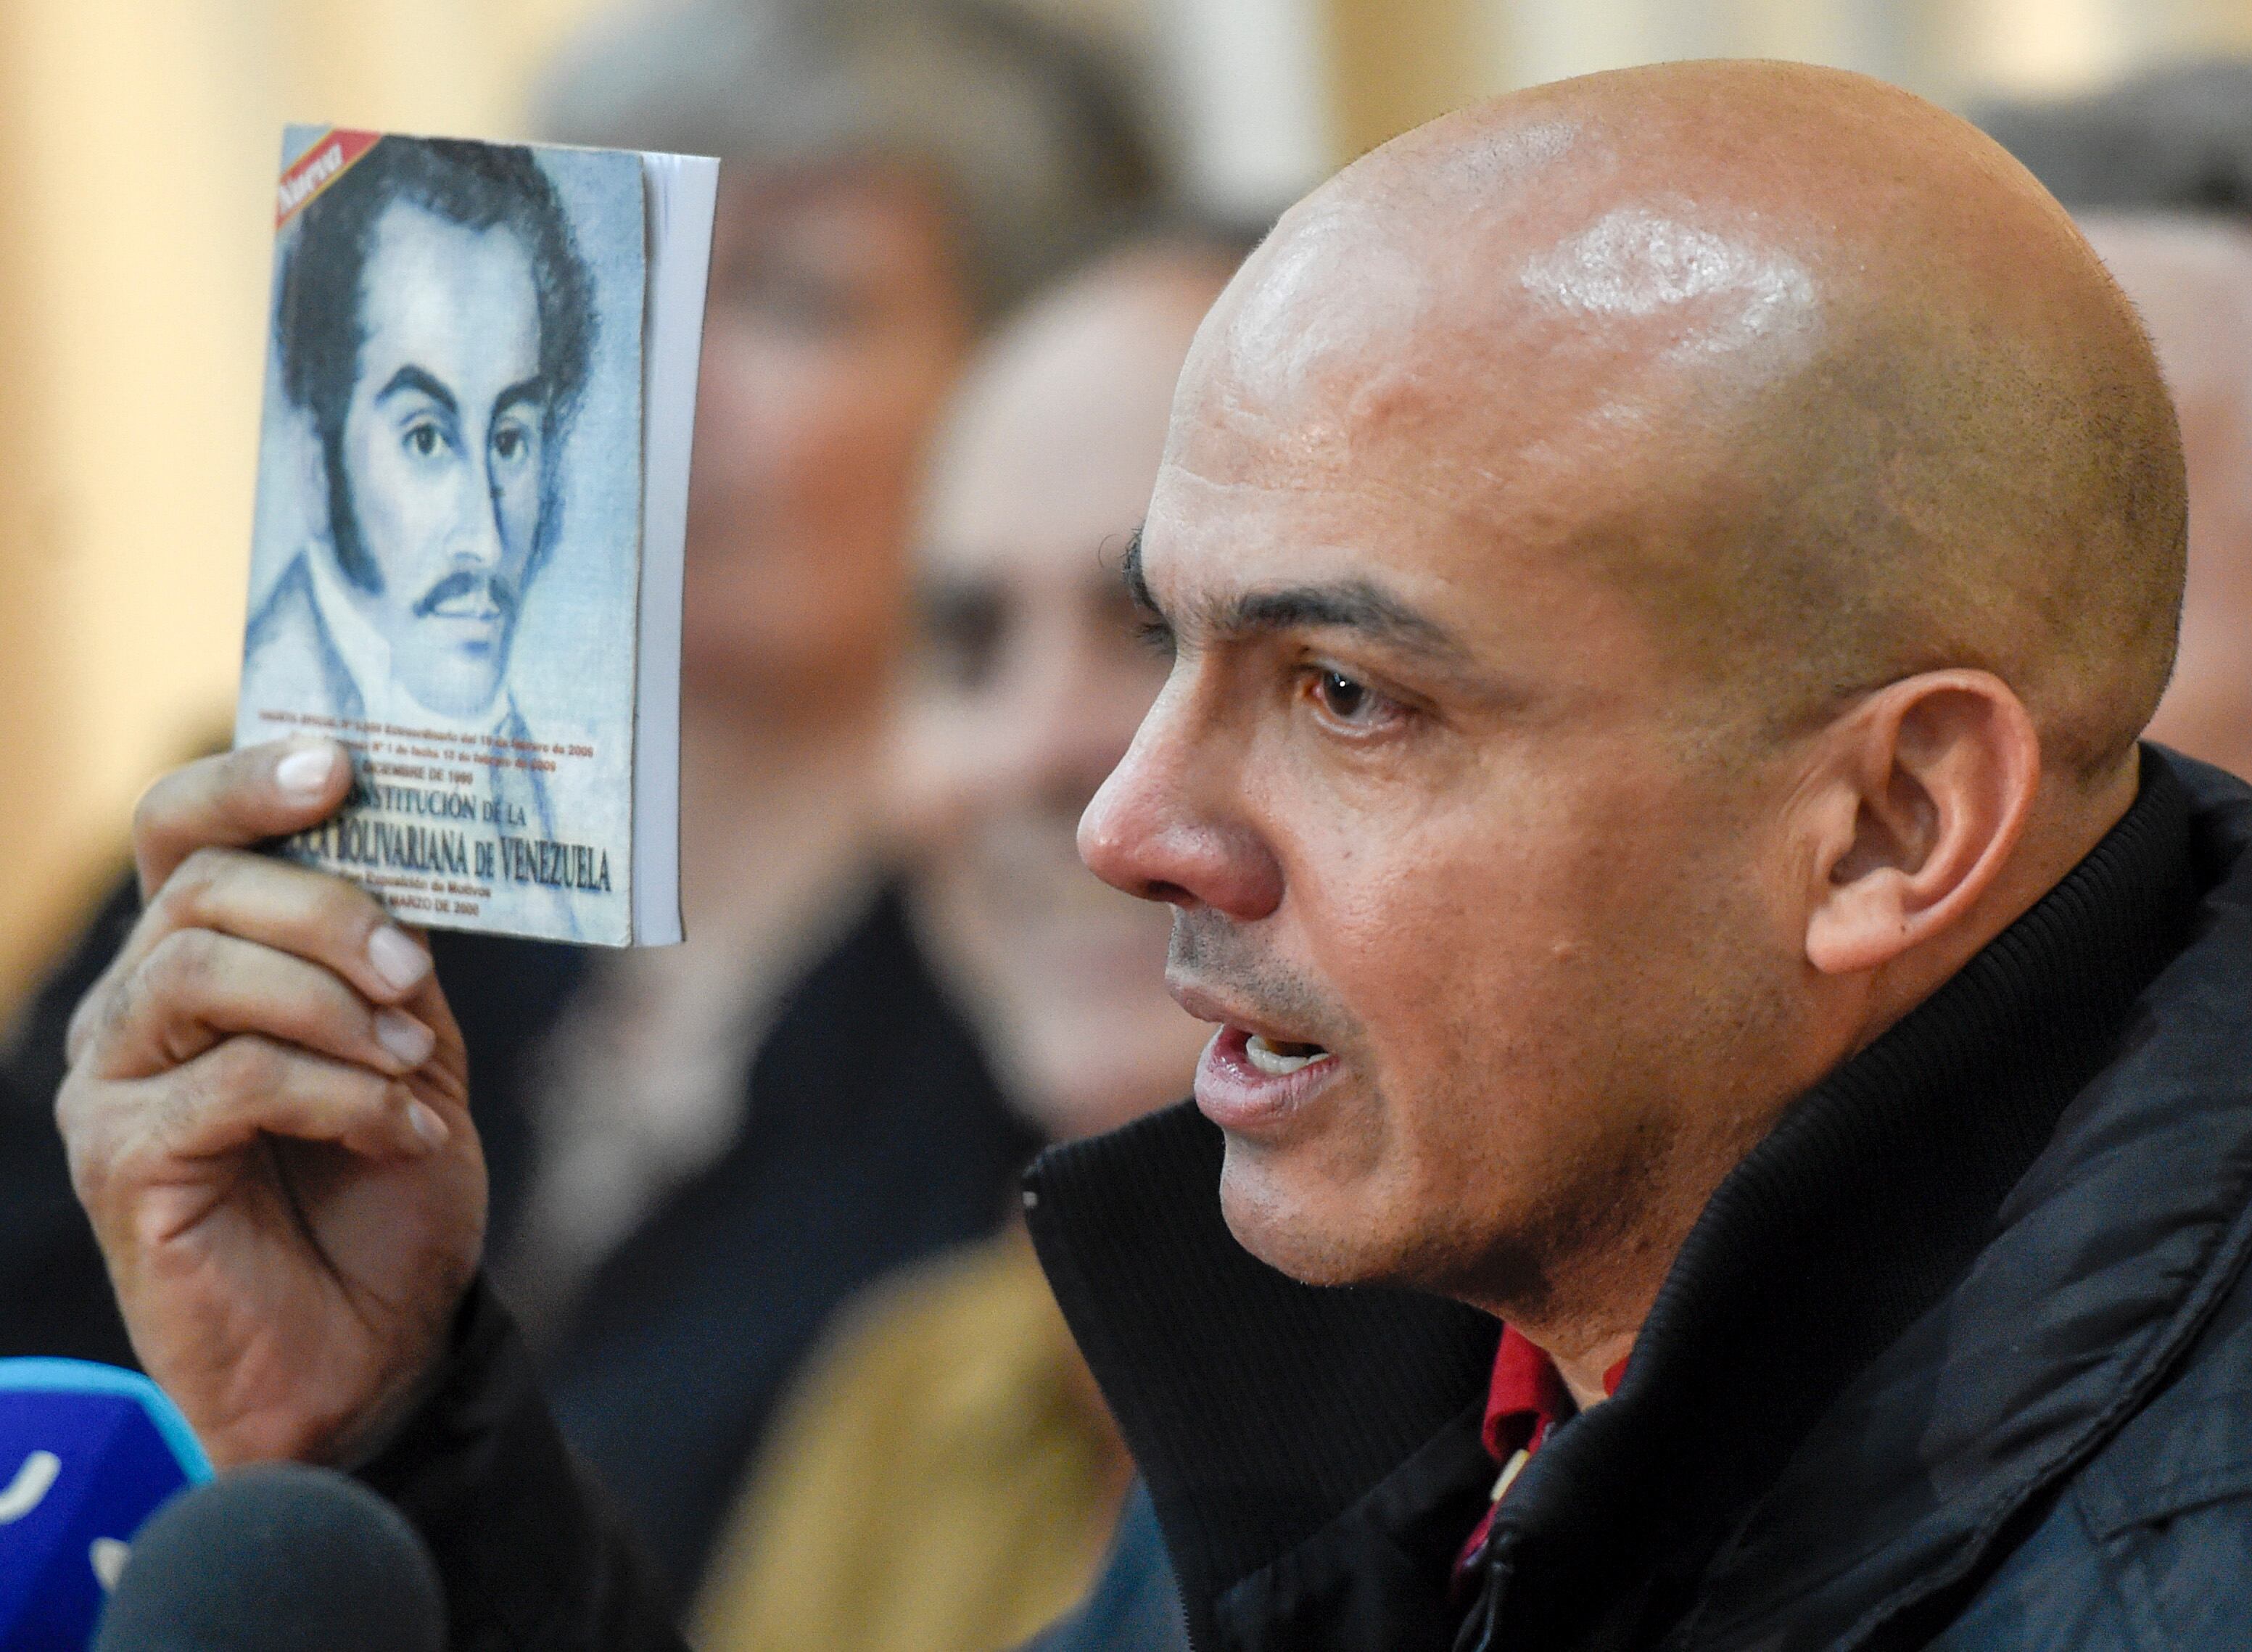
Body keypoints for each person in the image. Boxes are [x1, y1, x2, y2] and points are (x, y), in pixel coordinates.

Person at [52, 59, 2252, 1652]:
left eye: (1347, 693)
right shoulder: (1411, 1336)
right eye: (1166, 635)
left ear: (1885, 823)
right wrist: (397, 1418)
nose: (1124, 821)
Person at [2, 0, 1158, 1604]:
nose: (660, 374)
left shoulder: (1065, 951)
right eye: (614, 279)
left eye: (786, 296)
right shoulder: (294, 830)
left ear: (1023, 389)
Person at [691, 231, 1241, 1652]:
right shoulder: (900, 1390)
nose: (1029, 749)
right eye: (963, 643)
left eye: (1150, 624)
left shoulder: (1568, 1389)